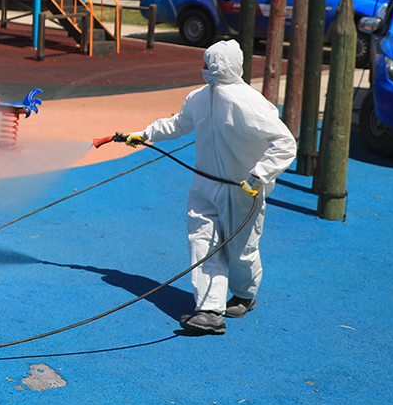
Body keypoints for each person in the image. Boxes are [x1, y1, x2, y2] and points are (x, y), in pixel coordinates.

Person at [124, 40, 297, 336]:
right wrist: (144, 134)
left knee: (241, 250)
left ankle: (244, 294)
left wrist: (258, 176)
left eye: (207, 62)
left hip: (242, 189)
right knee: (202, 242)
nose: (203, 67)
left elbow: (285, 143)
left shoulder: (249, 103)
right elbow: (178, 124)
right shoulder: (199, 98)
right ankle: (210, 311)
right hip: (204, 185)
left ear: (219, 65)